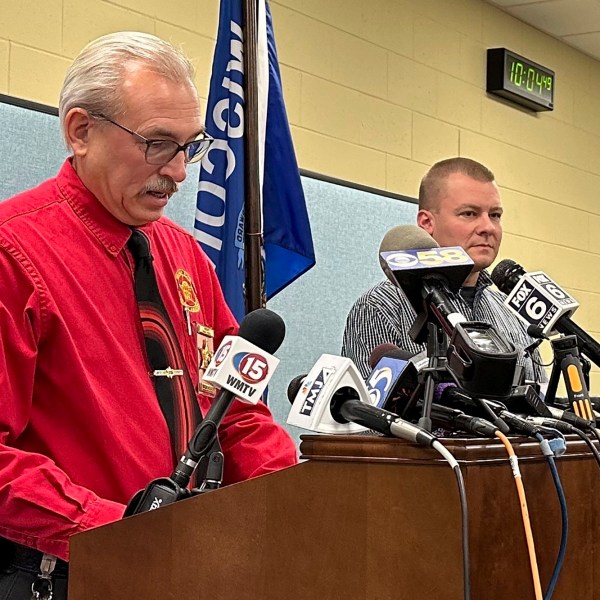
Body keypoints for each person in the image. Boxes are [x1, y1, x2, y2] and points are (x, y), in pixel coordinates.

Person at [0, 32, 297, 599]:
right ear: (80, 131)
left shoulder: (184, 256)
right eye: (158, 144)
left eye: (191, 145)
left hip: (186, 565)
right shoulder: (13, 254)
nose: (181, 172)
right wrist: (123, 532)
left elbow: (234, 410)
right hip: (71, 575)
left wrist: (293, 502)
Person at [342, 157, 546, 384]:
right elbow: (368, 410)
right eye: (469, 213)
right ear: (427, 222)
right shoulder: (380, 307)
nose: (488, 227)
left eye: (495, 215)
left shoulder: (512, 314)